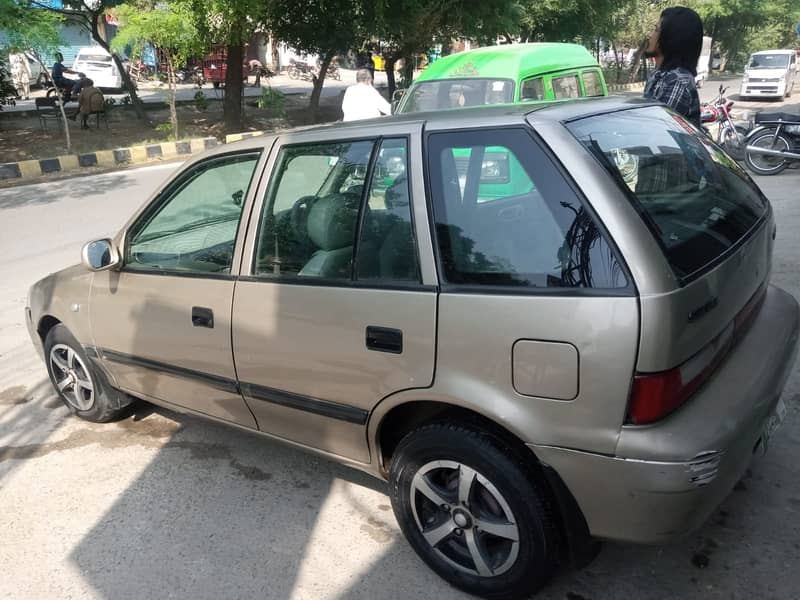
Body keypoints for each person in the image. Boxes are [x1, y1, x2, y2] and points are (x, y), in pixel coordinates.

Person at [643, 6, 703, 129]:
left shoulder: (677, 81)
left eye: (656, 30)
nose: (650, 36)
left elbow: (654, 129)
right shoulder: (659, 76)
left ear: (669, 38)